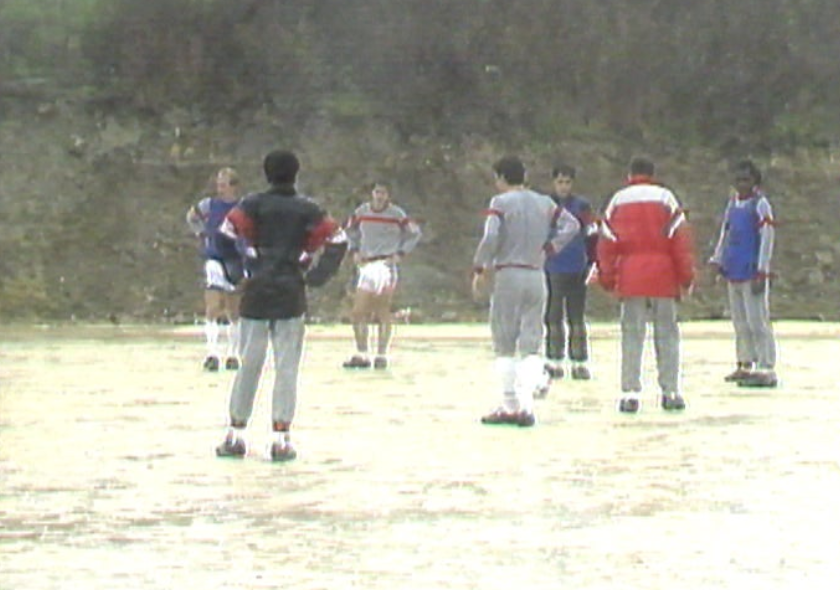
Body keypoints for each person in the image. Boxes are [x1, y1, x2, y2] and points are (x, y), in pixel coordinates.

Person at [214, 150, 343, 461]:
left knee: (249, 365)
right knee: (286, 368)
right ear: (296, 175)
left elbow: (224, 236)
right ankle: (281, 438)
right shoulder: (308, 209)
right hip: (290, 291)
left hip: (256, 290)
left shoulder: (252, 205)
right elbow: (338, 240)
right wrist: (316, 277)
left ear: (266, 173)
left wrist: (236, 273)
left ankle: (235, 434)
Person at [472, 156, 580, 427]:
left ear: (501, 178)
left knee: (505, 343)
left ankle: (510, 404)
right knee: (532, 342)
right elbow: (572, 225)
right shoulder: (544, 202)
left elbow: (491, 236)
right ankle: (528, 406)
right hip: (537, 273)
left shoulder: (500, 203)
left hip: (508, 273)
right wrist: (550, 248)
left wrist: (480, 267)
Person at [596, 156, 695, 413]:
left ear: (630, 175)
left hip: (631, 276)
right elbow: (681, 242)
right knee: (667, 335)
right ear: (653, 173)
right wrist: (686, 278)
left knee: (632, 335)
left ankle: (630, 393)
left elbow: (607, 243)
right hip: (664, 275)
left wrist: (607, 280)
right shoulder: (666, 198)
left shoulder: (618, 200)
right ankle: (671, 391)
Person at [709, 160, 778, 387]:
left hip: (752, 271)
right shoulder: (732, 205)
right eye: (738, 180)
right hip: (734, 270)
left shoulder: (760, 205)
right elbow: (725, 234)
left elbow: (767, 239)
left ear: (755, 182)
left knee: (757, 320)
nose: (741, 184)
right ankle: (745, 363)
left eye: (746, 180)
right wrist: (717, 260)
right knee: (740, 321)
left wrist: (762, 271)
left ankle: (766, 366)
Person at [342, 182, 422, 370]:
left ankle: (381, 355)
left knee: (382, 311)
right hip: (367, 264)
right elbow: (348, 229)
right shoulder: (362, 211)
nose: (379, 196)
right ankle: (362, 353)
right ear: (372, 193)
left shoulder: (397, 214)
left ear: (388, 195)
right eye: (377, 192)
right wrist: (354, 249)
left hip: (386, 265)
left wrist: (401, 253)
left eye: (383, 193)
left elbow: (414, 233)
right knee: (358, 311)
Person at [543, 163, 599, 381]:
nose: (563, 187)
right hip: (553, 266)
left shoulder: (582, 206)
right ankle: (554, 361)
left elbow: (592, 234)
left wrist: (593, 262)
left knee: (576, 317)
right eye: (560, 182)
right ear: (553, 183)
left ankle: (579, 362)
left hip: (577, 267)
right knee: (553, 315)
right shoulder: (546, 206)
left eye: (567, 182)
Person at [185, 167, 244, 372]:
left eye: (223, 184)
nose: (219, 189)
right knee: (213, 305)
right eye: (218, 184)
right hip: (214, 257)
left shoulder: (242, 207)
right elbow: (192, 216)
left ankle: (233, 354)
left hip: (235, 259)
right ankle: (211, 353)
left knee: (233, 308)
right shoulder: (209, 205)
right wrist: (201, 233)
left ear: (233, 186)